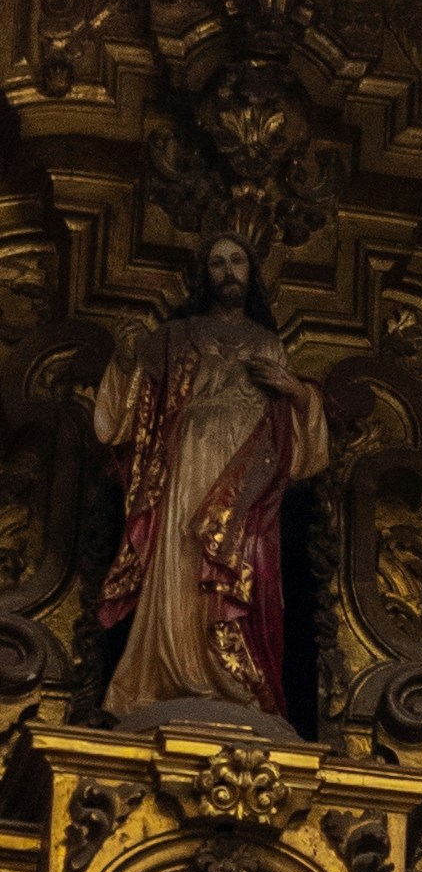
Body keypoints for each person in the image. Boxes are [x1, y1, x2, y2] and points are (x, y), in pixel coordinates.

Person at [90, 240, 332, 730]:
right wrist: (122, 355)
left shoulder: (268, 343)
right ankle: (164, 678)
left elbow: (306, 455)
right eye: (217, 262)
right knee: (179, 559)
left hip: (250, 478)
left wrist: (296, 391)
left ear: (251, 273)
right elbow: (128, 413)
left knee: (244, 566)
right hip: (185, 466)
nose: (228, 271)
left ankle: (237, 681)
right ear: (205, 274)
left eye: (237, 261)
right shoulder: (176, 336)